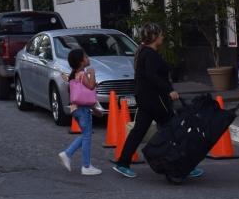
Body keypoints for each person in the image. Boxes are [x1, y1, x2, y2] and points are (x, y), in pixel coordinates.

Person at [111, 24, 202, 180]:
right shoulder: (150, 54)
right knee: (173, 130)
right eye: (160, 34)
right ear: (154, 37)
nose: (162, 37)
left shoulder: (143, 52)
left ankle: (123, 163)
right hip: (155, 99)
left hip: (145, 98)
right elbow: (152, 76)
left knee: (139, 131)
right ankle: (183, 165)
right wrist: (169, 90)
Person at [58, 48, 100, 176]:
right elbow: (91, 86)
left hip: (76, 109)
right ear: (81, 61)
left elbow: (83, 94)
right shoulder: (82, 74)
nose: (88, 58)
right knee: (87, 136)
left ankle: (67, 154)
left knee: (86, 135)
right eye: (86, 56)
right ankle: (85, 166)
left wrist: (93, 108)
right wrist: (92, 73)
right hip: (82, 110)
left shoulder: (74, 75)